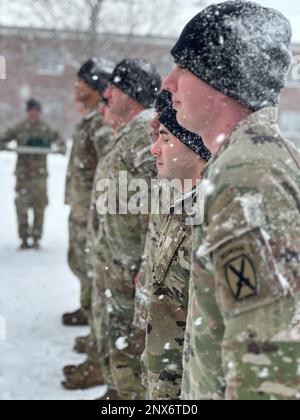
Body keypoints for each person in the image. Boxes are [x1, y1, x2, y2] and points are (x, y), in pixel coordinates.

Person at [164, 0, 300, 400]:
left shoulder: (249, 175)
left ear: (222, 79)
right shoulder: (242, 160)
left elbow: (269, 366)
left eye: (184, 69)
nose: (169, 84)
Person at [90, 58, 161, 400]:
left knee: (132, 350)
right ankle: (119, 393)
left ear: (131, 95)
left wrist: (147, 265)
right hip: (120, 264)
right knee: (120, 343)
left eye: (114, 88)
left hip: (134, 268)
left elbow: (164, 201)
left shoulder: (145, 132)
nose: (105, 93)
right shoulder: (130, 134)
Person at [142, 104, 211, 400]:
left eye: (166, 139)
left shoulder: (209, 219)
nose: (154, 150)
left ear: (198, 149)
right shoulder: (181, 208)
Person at [62, 57, 115, 391]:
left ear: (96, 88)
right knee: (83, 269)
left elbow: (110, 173)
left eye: (81, 82)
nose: (75, 87)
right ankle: (94, 332)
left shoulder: (101, 124)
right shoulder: (89, 120)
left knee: (98, 281)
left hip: (95, 217)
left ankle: (101, 351)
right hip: (83, 213)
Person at [0, 99, 65, 249]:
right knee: (21, 207)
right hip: (23, 175)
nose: (34, 113)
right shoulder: (20, 128)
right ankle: (23, 238)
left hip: (39, 176)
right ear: (28, 112)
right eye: (31, 110)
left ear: (39, 112)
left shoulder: (45, 128)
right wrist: (5, 146)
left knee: (39, 206)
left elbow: (59, 141)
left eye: (36, 110)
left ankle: (36, 237)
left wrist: (60, 148)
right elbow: (3, 138)